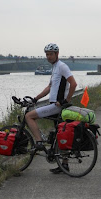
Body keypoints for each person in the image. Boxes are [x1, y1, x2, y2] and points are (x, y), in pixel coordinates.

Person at [25, 43, 77, 174]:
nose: (48, 56)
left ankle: (38, 142)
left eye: (51, 54)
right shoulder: (55, 68)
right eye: (47, 54)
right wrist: (35, 99)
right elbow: (49, 88)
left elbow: (74, 84)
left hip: (56, 106)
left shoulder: (62, 66)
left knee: (28, 116)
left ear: (57, 54)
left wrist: (66, 101)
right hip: (54, 105)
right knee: (60, 134)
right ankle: (64, 165)